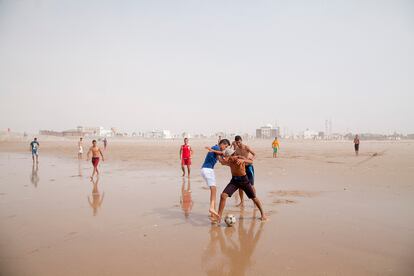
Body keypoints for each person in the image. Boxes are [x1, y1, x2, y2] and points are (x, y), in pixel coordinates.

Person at [212, 148, 267, 223]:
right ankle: (219, 217)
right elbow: (222, 162)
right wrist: (216, 154)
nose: (225, 158)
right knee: (223, 195)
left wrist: (243, 160)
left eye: (227, 156)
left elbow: (251, 161)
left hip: (244, 181)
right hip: (234, 181)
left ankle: (263, 214)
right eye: (225, 156)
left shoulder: (240, 158)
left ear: (232, 155)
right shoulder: (229, 160)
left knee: (253, 197)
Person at [202, 139, 231, 220]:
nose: (224, 149)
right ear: (222, 144)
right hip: (207, 170)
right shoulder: (216, 147)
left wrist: (230, 161)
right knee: (213, 189)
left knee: (213, 190)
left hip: (208, 170)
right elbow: (222, 156)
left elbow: (222, 161)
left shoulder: (216, 150)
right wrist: (226, 155)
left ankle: (212, 212)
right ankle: (211, 208)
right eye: (225, 146)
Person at [232, 135, 256, 206]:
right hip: (242, 168)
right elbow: (234, 157)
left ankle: (254, 201)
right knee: (240, 186)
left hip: (249, 167)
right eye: (237, 143)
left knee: (251, 186)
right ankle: (242, 202)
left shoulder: (246, 147)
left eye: (239, 142)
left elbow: (254, 154)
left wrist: (251, 158)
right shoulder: (237, 149)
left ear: (241, 140)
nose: (238, 144)